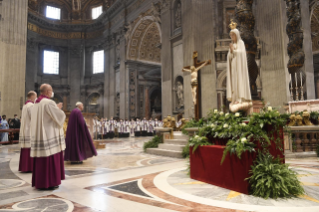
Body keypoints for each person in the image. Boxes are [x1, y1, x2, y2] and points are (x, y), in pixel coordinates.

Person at [30, 84, 66, 190]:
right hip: (49, 134)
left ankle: (40, 182)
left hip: (39, 135)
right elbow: (59, 117)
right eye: (51, 90)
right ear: (47, 92)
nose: (52, 92)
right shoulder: (49, 103)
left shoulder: (36, 103)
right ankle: (50, 182)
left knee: (41, 159)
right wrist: (59, 109)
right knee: (50, 158)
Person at [226, 27, 252, 112]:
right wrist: (231, 51)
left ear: (237, 35)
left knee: (240, 82)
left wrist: (234, 51)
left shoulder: (241, 43)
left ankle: (240, 99)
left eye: (233, 35)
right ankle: (235, 98)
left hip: (240, 68)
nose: (232, 36)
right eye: (230, 35)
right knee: (234, 83)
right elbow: (229, 57)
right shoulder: (232, 45)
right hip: (234, 68)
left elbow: (242, 54)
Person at [19, 91, 37, 172]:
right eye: (35, 96)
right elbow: (34, 118)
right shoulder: (31, 106)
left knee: (25, 149)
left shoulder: (25, 106)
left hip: (25, 130)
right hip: (29, 131)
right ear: (32, 96)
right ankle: (29, 167)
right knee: (29, 148)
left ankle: (24, 167)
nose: (36, 98)